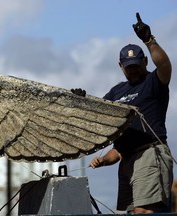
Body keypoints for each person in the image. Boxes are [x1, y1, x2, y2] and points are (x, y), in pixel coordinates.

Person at [76, 13, 174, 213]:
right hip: (127, 160)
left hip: (149, 153)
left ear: (145, 61)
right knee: (131, 212)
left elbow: (165, 65)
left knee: (144, 211)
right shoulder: (116, 92)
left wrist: (149, 40)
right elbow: (115, 144)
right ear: (121, 67)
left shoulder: (154, 82)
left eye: (137, 65)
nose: (134, 70)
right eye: (129, 68)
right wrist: (80, 101)